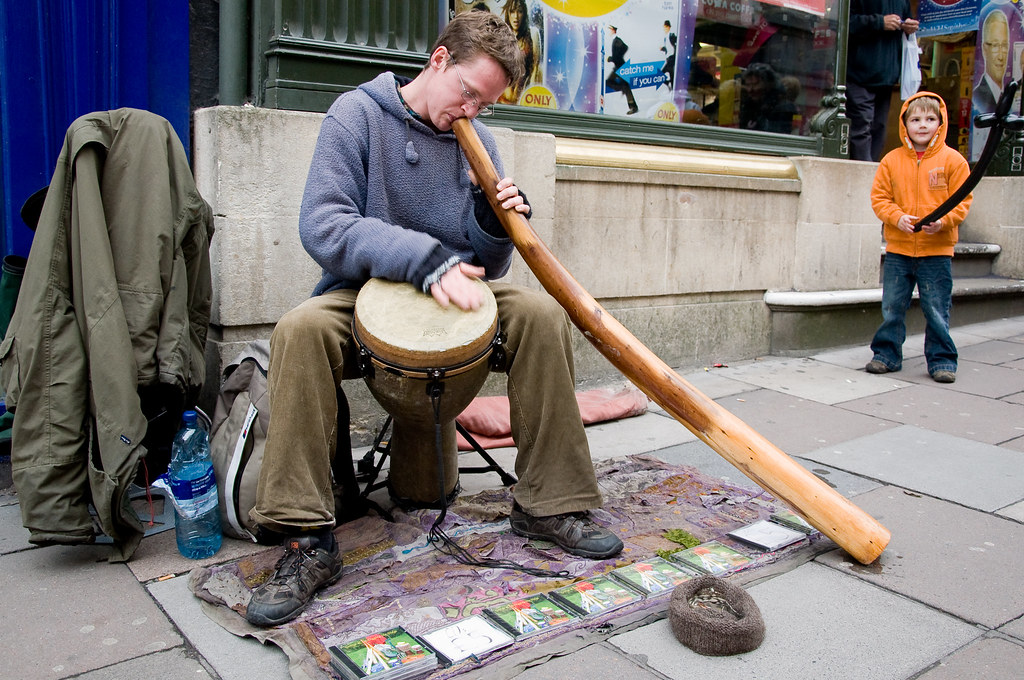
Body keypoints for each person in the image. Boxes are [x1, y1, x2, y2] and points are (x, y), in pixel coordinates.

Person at [244, 11, 623, 628]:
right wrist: (423, 259)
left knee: (538, 315)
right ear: (439, 60)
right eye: (468, 92)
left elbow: (490, 264)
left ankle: (550, 502)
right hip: (367, 294)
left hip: (451, 296)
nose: (472, 111)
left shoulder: (476, 136)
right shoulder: (357, 115)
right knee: (300, 329)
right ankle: (303, 540)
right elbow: (324, 224)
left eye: (487, 104)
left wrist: (494, 218)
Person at [864, 92, 972, 383]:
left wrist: (944, 221)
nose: (922, 125)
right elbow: (880, 199)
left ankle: (942, 360)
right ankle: (885, 355)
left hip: (936, 251)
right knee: (892, 307)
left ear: (941, 122)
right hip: (899, 249)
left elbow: (962, 201)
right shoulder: (891, 161)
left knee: (936, 309)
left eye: (930, 119)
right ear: (904, 123)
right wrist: (897, 217)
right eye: (915, 119)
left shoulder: (954, 161)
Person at [846, 0, 919, 161]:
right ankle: (865, 174)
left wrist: (909, 27)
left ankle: (872, 175)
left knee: (879, 127)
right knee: (861, 126)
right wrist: (879, 22)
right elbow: (844, 22)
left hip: (887, 76)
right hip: (857, 72)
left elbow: (906, 20)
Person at [498, 0, 542, 104]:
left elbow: (535, 66)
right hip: (501, 99)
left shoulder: (532, 34)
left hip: (523, 99)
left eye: (520, 11)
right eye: (512, 12)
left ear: (524, 13)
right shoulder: (502, 36)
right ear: (508, 13)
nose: (516, 17)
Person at [973, 10, 1009, 114]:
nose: (1001, 56)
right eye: (995, 46)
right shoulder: (978, 97)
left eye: (1004, 46)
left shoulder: (1007, 94)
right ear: (985, 49)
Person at [606, 25, 638, 115]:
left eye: (610, 30)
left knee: (611, 82)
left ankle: (633, 107)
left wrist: (612, 58)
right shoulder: (615, 40)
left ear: (613, 30)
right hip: (619, 66)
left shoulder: (617, 40)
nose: (609, 32)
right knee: (621, 85)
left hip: (620, 66)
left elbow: (625, 47)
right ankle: (633, 106)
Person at [660, 20, 677, 88]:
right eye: (664, 27)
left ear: (668, 27)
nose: (664, 29)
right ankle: (671, 86)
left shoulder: (671, 35)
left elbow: (675, 45)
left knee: (661, 74)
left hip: (671, 58)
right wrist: (662, 49)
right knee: (671, 74)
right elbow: (668, 48)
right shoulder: (665, 37)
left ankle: (669, 84)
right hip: (668, 58)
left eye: (665, 27)